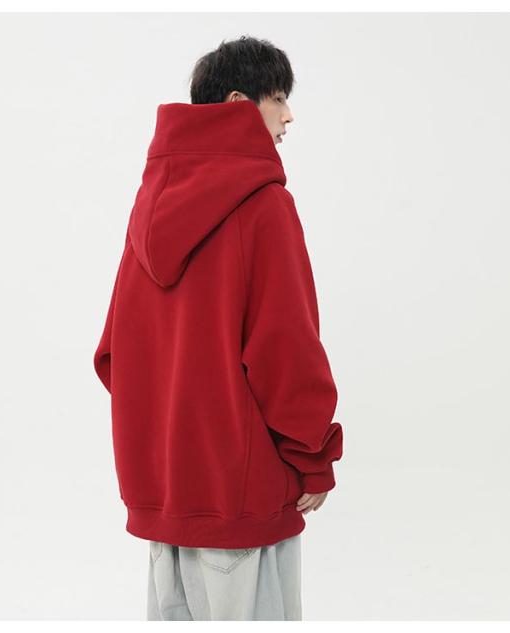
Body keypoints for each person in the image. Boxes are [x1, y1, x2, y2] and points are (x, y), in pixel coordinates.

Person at [93, 35, 343, 621]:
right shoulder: (264, 207)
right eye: (277, 98)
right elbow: (287, 351)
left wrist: (168, 439)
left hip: (166, 499)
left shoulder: (147, 207)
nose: (288, 116)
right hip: (241, 500)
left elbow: (114, 355)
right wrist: (313, 457)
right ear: (237, 103)